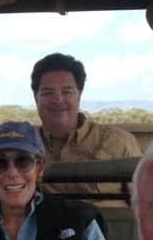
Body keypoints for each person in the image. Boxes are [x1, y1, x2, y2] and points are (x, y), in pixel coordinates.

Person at [31, 53, 142, 203]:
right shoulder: (25, 147)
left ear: (79, 95)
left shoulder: (119, 142)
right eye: (48, 92)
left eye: (67, 92)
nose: (57, 99)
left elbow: (145, 204)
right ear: (36, 98)